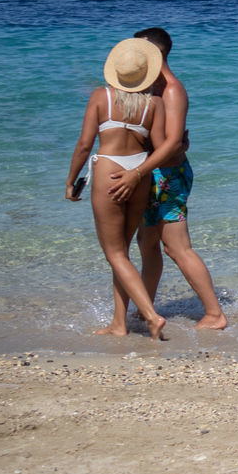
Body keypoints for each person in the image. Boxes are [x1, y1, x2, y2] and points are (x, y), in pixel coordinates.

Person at [106, 26, 226, 330]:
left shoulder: (171, 89)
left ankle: (214, 314)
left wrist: (136, 172)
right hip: (153, 173)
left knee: (176, 247)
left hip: (167, 175)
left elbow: (172, 145)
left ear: (156, 54)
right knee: (147, 243)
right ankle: (145, 308)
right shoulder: (150, 88)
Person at [65, 38, 168, 340]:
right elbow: (160, 148)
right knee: (121, 254)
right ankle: (119, 324)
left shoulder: (101, 96)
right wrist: (138, 173)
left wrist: (71, 181)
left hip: (109, 169)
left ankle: (151, 316)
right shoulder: (155, 103)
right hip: (139, 172)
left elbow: (85, 145)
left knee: (114, 254)